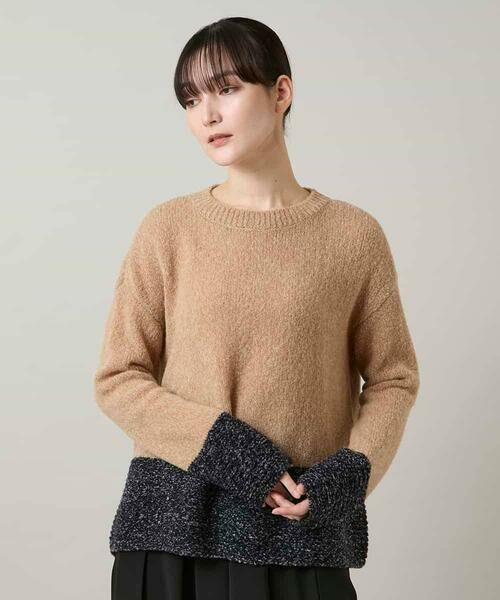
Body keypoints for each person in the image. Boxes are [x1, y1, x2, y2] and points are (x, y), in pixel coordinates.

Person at [94, 16, 420, 600]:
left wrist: (347, 476)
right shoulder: (168, 230)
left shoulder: (353, 236)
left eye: (226, 88)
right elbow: (119, 378)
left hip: (300, 535)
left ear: (281, 92)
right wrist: (237, 456)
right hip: (172, 539)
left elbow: (394, 378)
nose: (207, 114)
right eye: (190, 99)